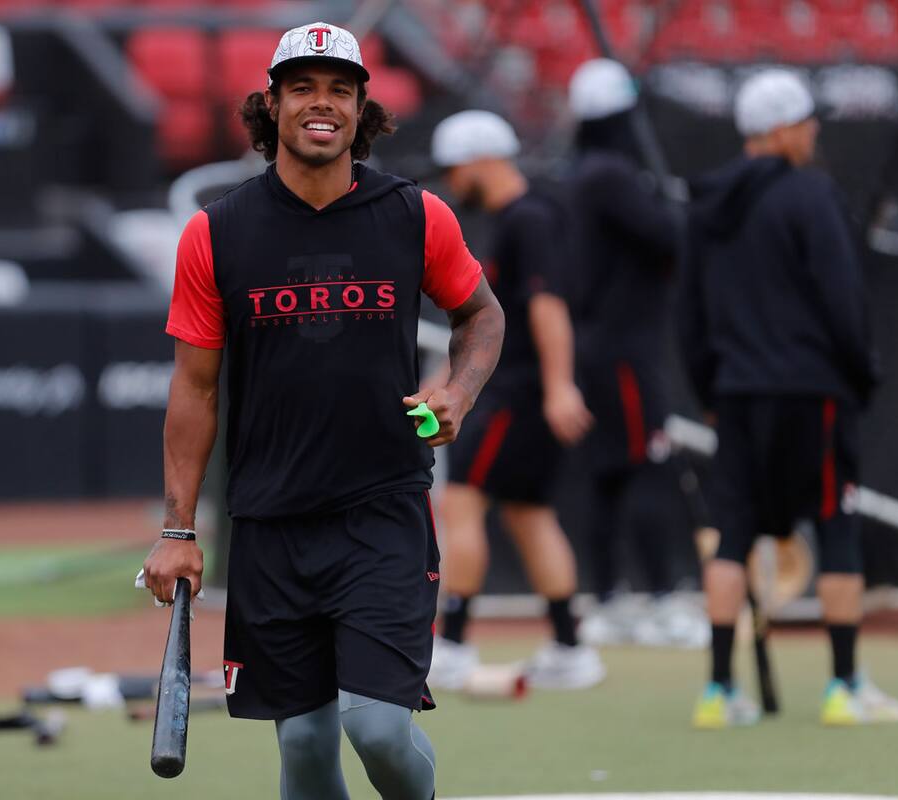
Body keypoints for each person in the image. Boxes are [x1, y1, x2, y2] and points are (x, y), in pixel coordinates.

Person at [140, 22, 504, 799]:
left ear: (361, 109)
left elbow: (482, 314)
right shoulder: (215, 233)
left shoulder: (416, 215)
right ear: (270, 104)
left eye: (340, 89)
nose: (322, 103)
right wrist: (177, 531)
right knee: (304, 746)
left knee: (378, 730)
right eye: (302, 87)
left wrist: (458, 392)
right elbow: (194, 390)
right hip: (270, 524)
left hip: (382, 515)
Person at [683, 69, 898, 727]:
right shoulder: (812, 194)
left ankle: (718, 692)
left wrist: (709, 390)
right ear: (781, 129)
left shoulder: (706, 204)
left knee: (732, 535)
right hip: (813, 390)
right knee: (836, 524)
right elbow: (843, 297)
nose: (813, 134)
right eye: (807, 123)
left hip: (736, 393)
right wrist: (860, 374)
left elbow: (689, 314)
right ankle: (844, 687)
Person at [425, 110, 604, 692]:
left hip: (515, 392)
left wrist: (558, 386)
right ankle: (571, 648)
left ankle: (453, 645)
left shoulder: (528, 219)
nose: (452, 182)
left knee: (462, 502)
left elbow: (548, 306)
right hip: (524, 390)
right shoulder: (520, 218)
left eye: (455, 168)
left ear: (481, 160)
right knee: (529, 513)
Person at [563, 59, 704, 648]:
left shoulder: (585, 173)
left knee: (611, 473)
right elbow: (669, 236)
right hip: (622, 349)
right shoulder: (611, 176)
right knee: (646, 464)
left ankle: (610, 600)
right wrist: (668, 204)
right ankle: (663, 601)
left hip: (601, 344)